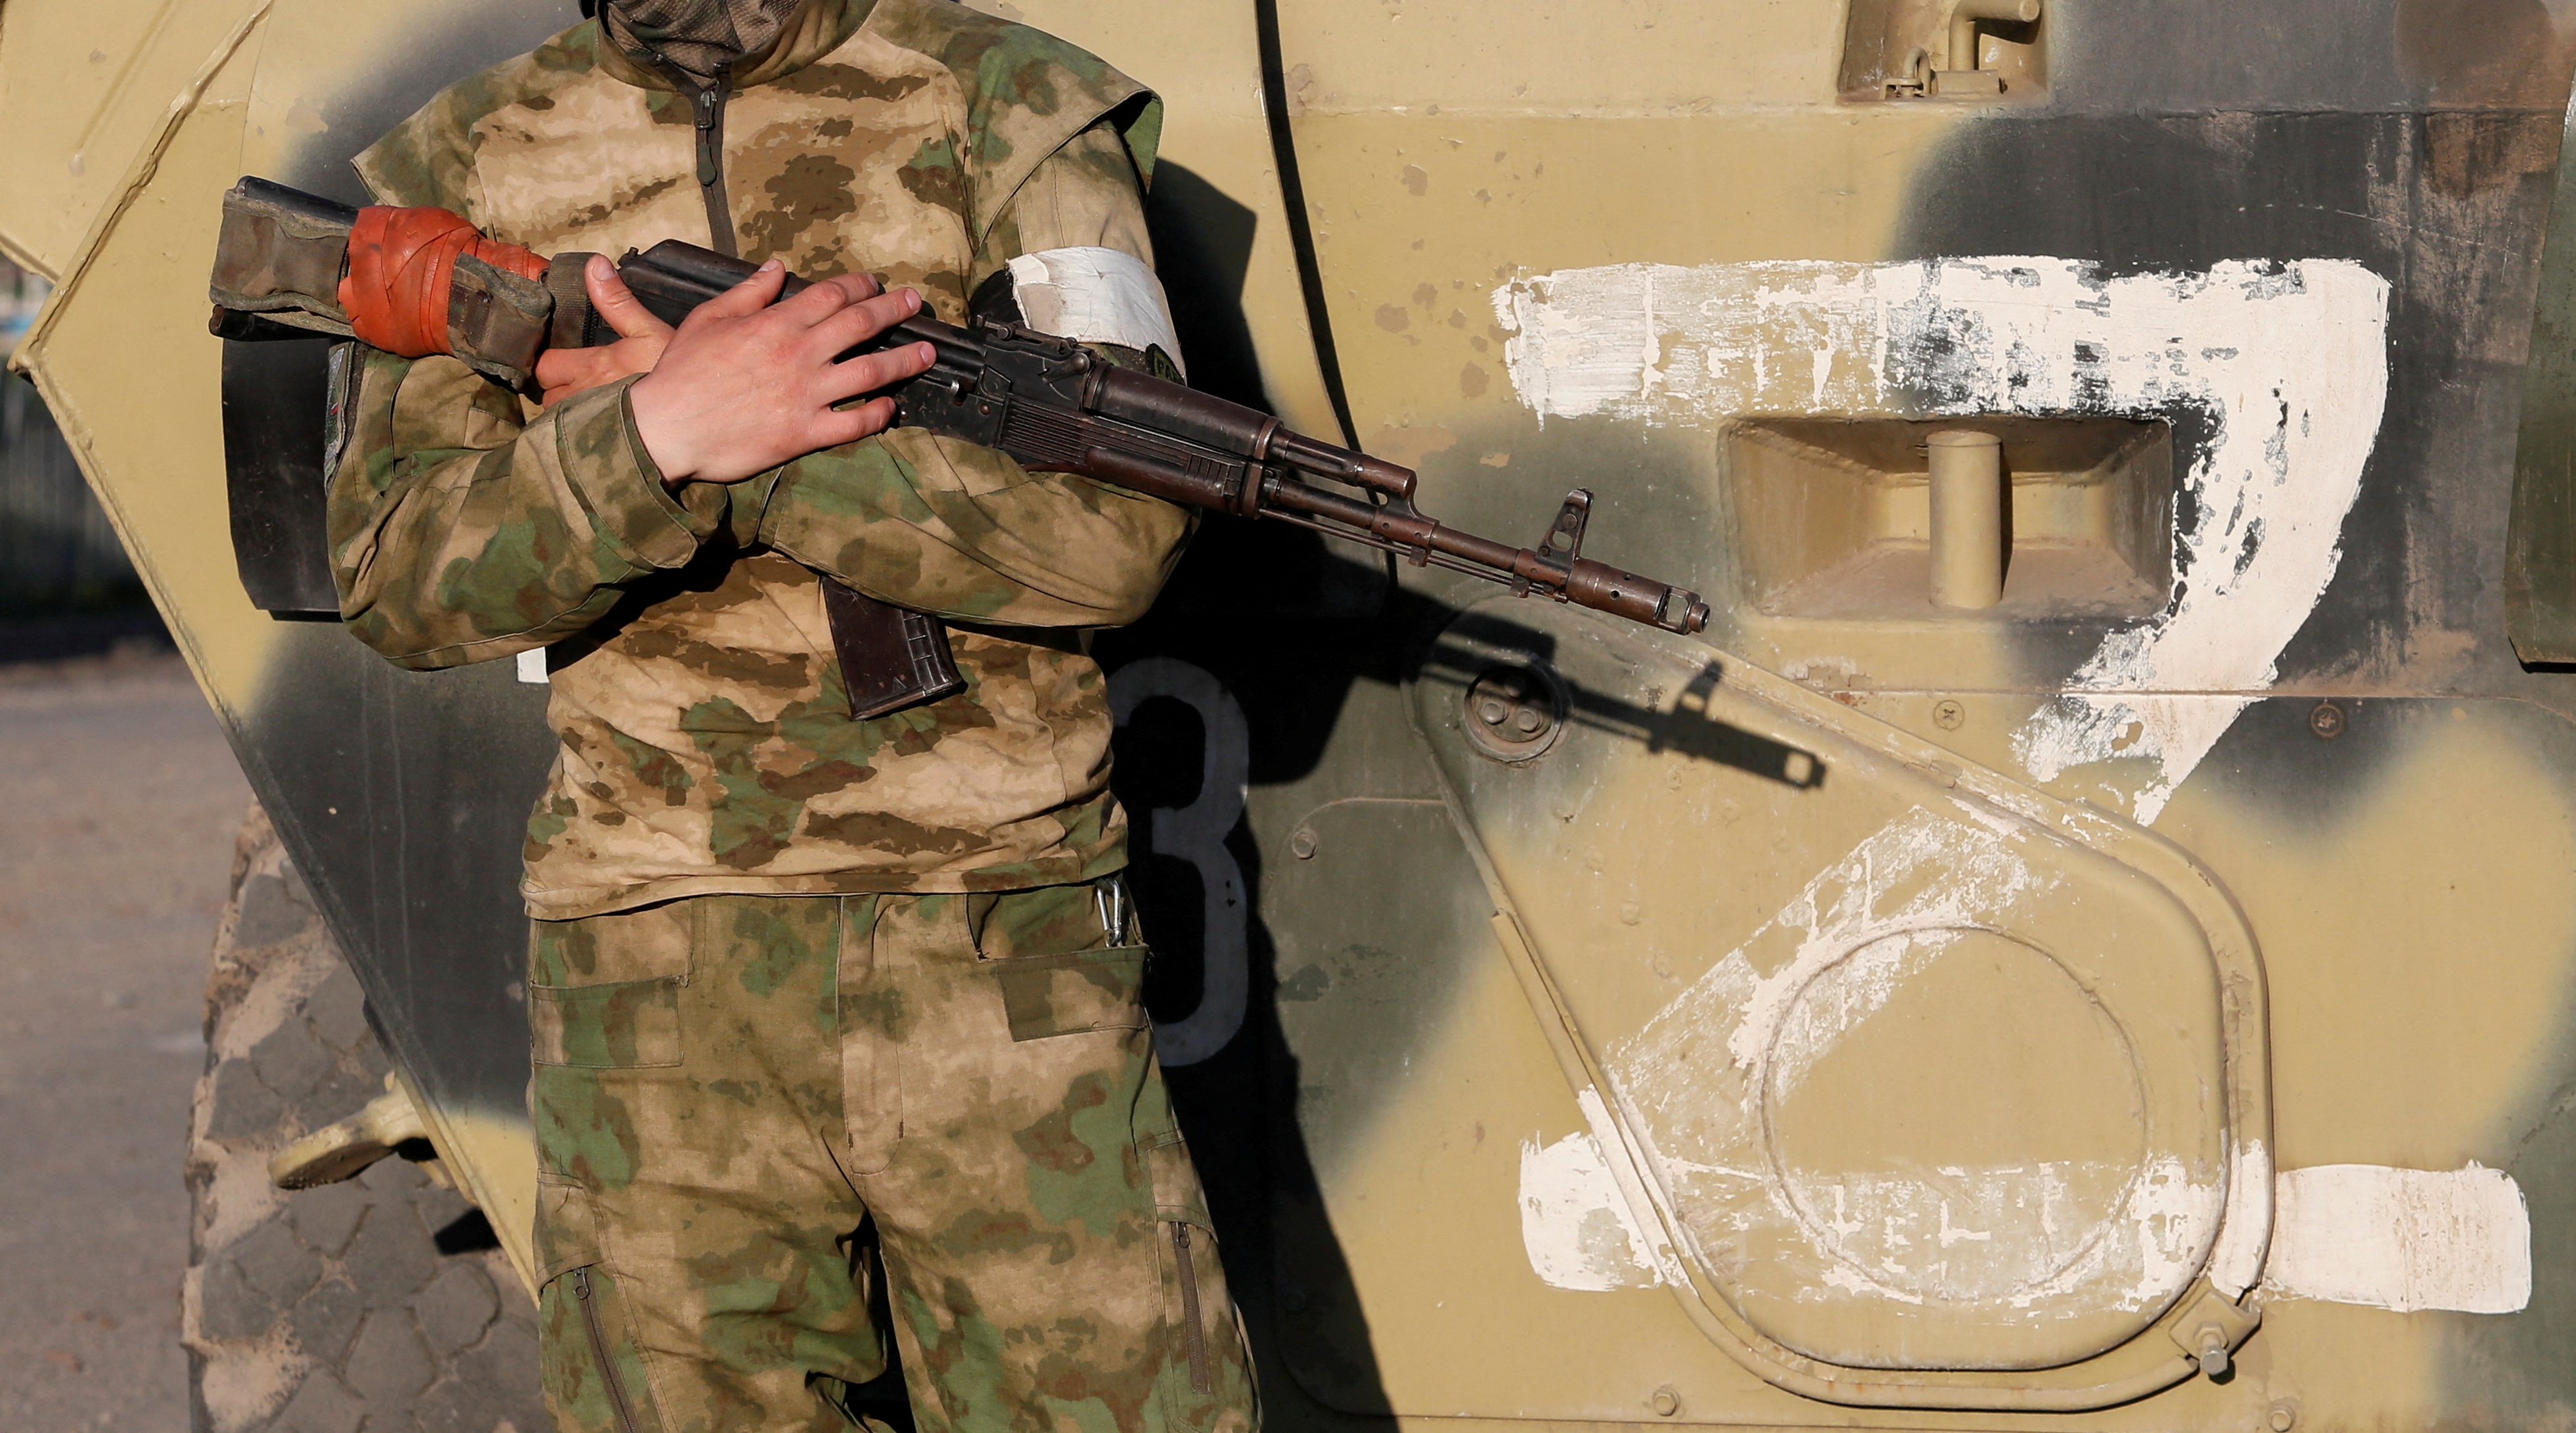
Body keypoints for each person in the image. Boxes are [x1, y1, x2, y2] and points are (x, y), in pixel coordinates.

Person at [327, 1, 1257, 1429]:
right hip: (651, 961)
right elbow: (401, 577)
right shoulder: (464, 158)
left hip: (1000, 947)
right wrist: (655, 437)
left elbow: (1116, 539)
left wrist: (751, 451)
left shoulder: (1009, 106)